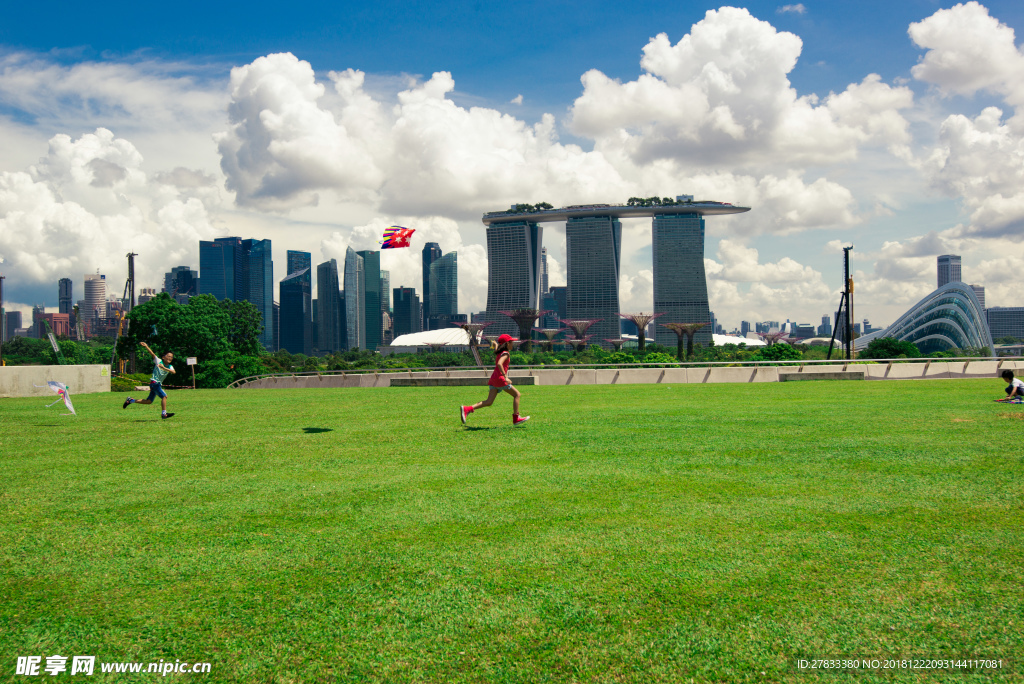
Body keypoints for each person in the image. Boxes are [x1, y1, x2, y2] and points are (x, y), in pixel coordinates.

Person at [460, 333, 530, 426]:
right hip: (500, 379)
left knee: (489, 402)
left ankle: (467, 409)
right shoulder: (505, 353)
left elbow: (496, 351)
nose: (513, 344)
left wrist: (496, 345)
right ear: (506, 344)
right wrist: (506, 377)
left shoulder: (499, 352)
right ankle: (516, 418)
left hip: (494, 379)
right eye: (511, 342)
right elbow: (500, 364)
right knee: (517, 395)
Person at [123, 342, 176, 419]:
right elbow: (152, 354)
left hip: (156, 384)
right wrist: (146, 346)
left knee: (149, 401)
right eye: (168, 356)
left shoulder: (170, 366)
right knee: (164, 396)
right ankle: (164, 414)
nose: (170, 358)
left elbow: (173, 372)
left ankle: (131, 400)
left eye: (171, 357)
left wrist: (164, 368)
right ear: (163, 357)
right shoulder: (158, 361)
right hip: (155, 383)